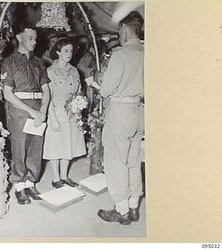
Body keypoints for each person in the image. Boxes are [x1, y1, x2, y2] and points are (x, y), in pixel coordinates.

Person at [97, 11, 144, 225]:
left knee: (116, 161)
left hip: (120, 111)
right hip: (139, 110)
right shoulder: (146, 52)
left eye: (119, 30)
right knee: (133, 161)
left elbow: (106, 90)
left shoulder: (121, 55)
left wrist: (100, 81)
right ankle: (134, 206)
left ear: (124, 28)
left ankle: (122, 210)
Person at [1, 23, 50, 205]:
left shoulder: (39, 62)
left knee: (35, 149)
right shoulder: (10, 62)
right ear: (19, 37)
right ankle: (20, 187)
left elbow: (46, 89)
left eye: (36, 38)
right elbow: (8, 93)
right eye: (30, 38)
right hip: (20, 111)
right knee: (20, 149)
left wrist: (42, 111)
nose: (34, 42)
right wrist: (32, 111)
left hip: (38, 109)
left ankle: (31, 182)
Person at [43, 37, 86, 189]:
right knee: (56, 145)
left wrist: (79, 107)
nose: (69, 54)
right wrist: (52, 119)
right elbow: (47, 97)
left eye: (71, 51)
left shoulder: (75, 71)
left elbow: (79, 92)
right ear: (58, 52)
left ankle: (64, 176)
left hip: (72, 112)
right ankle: (55, 178)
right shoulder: (50, 71)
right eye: (66, 51)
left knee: (69, 143)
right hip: (57, 111)